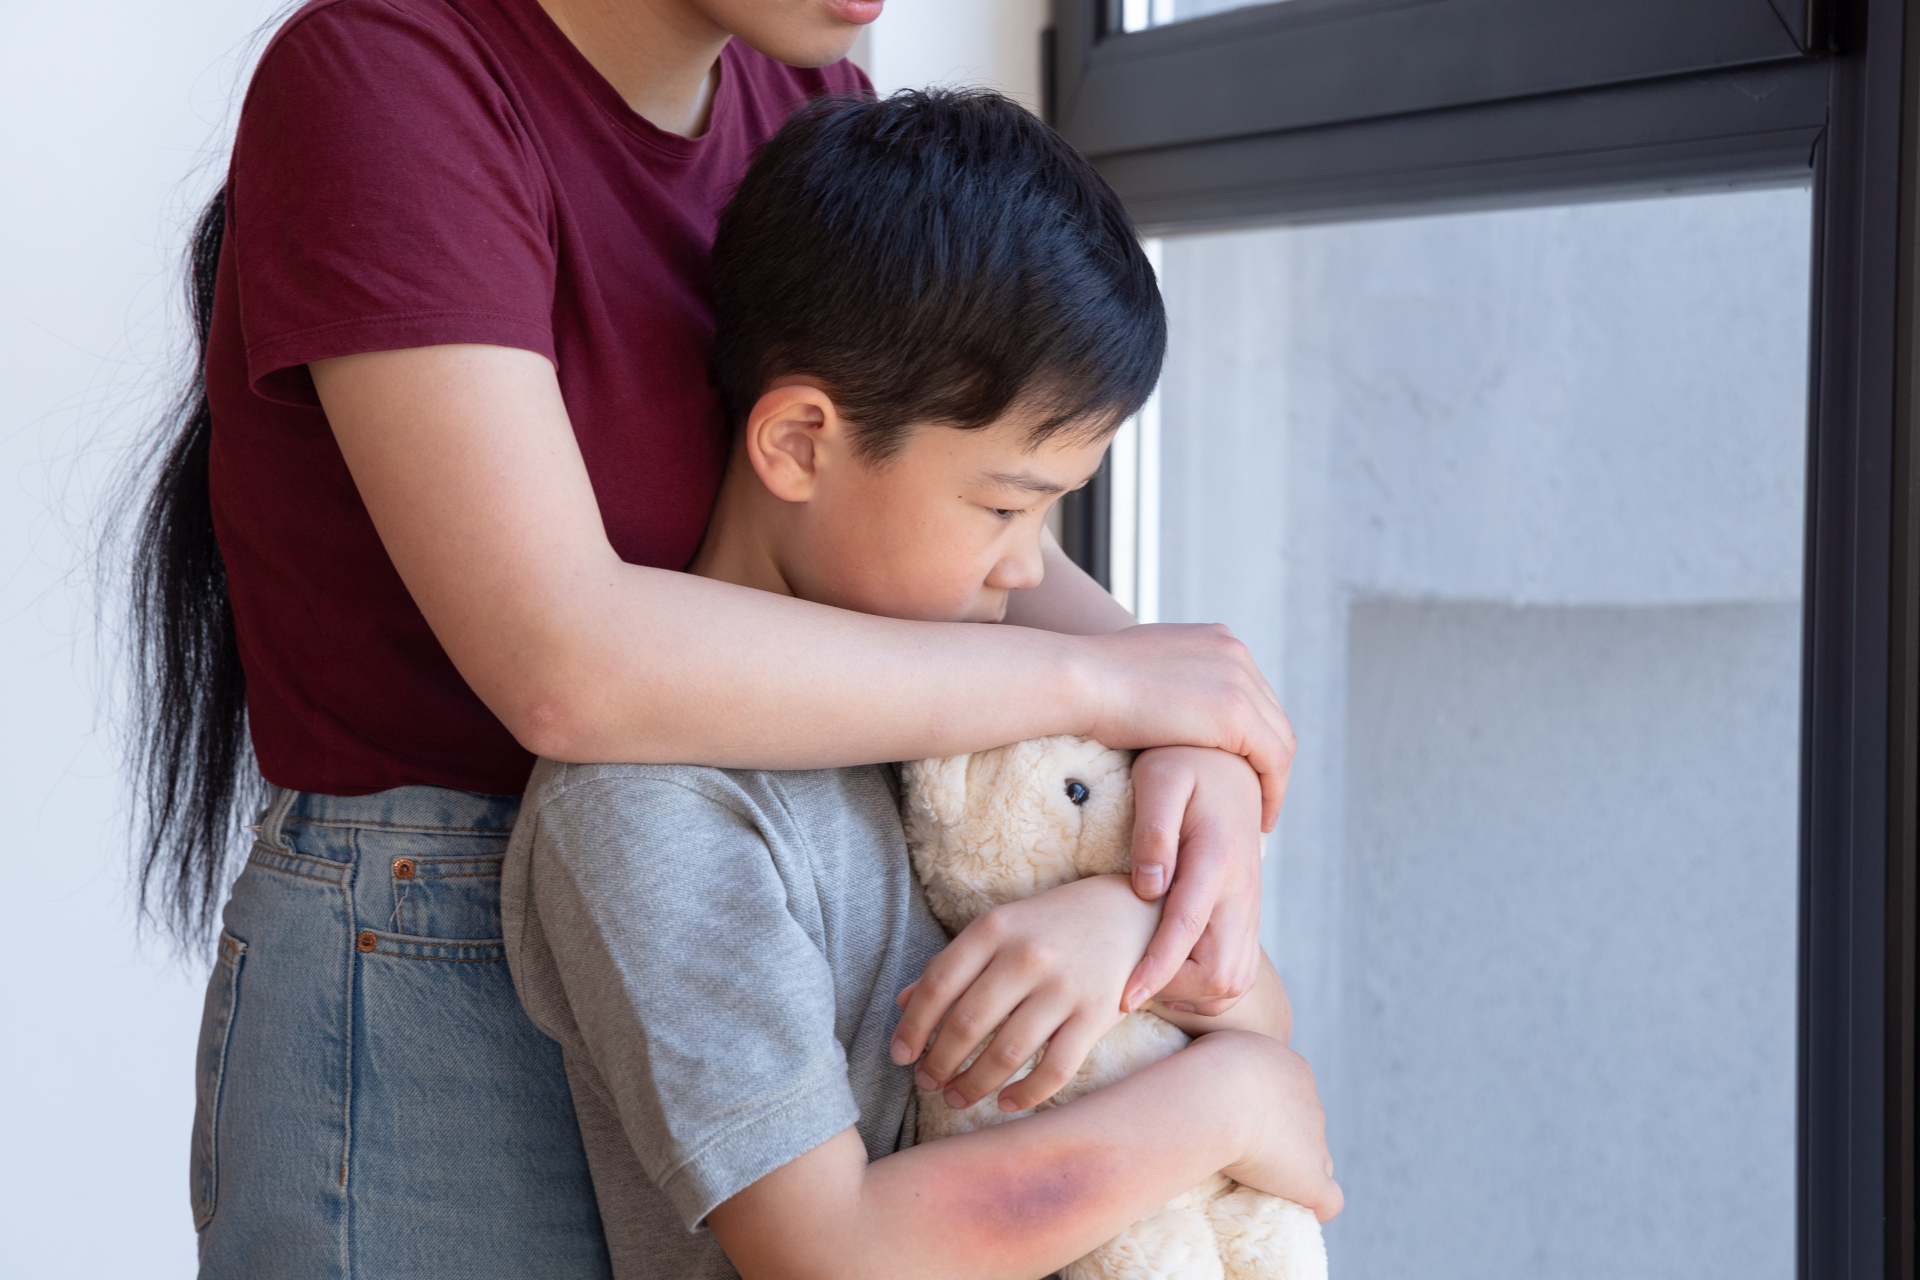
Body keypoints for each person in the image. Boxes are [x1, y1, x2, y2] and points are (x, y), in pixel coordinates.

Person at [128, 1, 1294, 1276]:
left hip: (769, 883)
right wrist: (1110, 684)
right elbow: (564, 665)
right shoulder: (392, 79)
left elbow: (971, 517)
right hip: (432, 959)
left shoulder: (808, 106)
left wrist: (1198, 748)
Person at [502, 88, 1339, 1280]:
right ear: (798, 443)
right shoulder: (648, 806)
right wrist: (1232, 1105)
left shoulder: (976, 694)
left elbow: (1258, 1004)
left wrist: (1125, 927)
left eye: (1053, 507)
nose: (1027, 563)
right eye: (1004, 504)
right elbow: (827, 1251)